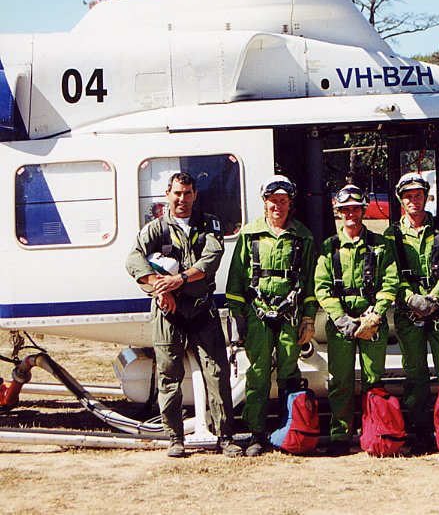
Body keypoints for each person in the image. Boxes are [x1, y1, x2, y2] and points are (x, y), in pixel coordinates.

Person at [126, 172, 242, 458]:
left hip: (202, 309)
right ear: (168, 194)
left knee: (217, 373)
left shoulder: (208, 224)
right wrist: (159, 289)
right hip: (168, 313)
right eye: (177, 193)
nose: (182, 199)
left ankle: (225, 436)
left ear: (194, 195)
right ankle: (175, 437)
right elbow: (133, 260)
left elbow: (211, 260)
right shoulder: (155, 228)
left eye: (187, 193)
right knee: (169, 375)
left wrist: (181, 279)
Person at [225, 175, 319, 457]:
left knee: (290, 374)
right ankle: (256, 433)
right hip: (258, 314)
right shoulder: (249, 235)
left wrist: (309, 317)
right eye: (272, 201)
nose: (277, 206)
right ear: (264, 203)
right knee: (258, 373)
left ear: (290, 203)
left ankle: (290, 429)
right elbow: (236, 279)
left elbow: (310, 282)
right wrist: (237, 319)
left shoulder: (303, 236)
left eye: (283, 201)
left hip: (290, 315)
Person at [314, 185, 400, 456]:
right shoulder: (329, 247)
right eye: (345, 210)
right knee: (341, 380)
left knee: (374, 379)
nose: (350, 214)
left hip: (372, 321)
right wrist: (340, 318)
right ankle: (340, 436)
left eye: (355, 209)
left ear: (363, 211)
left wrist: (375, 314)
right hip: (341, 325)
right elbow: (322, 287)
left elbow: (391, 281)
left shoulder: (380, 245)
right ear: (338, 214)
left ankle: (376, 432)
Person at [384, 172, 439, 454]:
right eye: (408, 195)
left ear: (426, 196)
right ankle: (418, 431)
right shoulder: (391, 235)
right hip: (409, 314)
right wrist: (412, 300)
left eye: (418, 195)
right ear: (400, 199)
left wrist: (433, 298)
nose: (413, 200)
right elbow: (390, 274)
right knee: (415, 374)